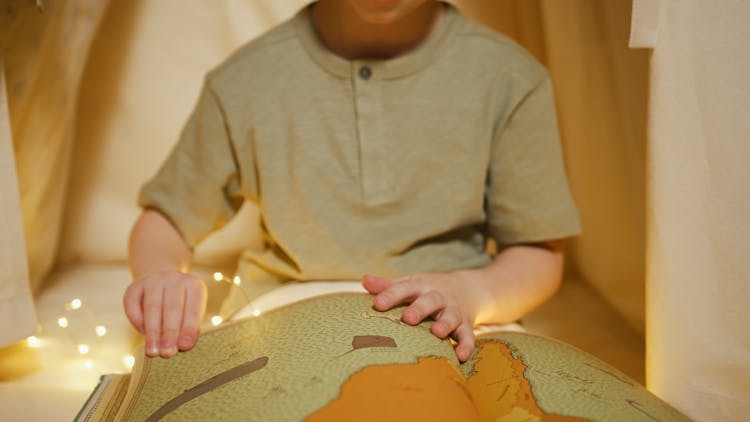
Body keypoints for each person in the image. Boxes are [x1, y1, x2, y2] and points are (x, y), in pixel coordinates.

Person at [123, 0, 580, 363]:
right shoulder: (246, 79)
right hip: (278, 323)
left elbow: (537, 251)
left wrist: (474, 293)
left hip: (461, 322)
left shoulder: (511, 77)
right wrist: (161, 276)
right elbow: (167, 219)